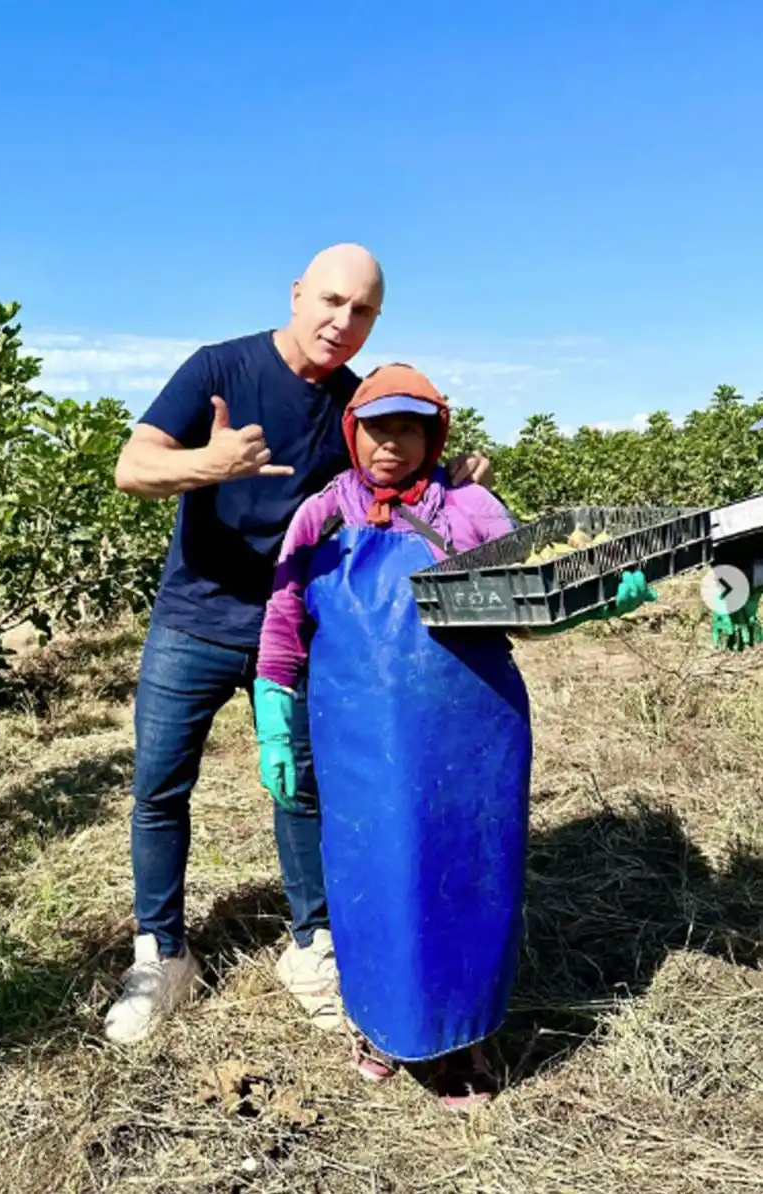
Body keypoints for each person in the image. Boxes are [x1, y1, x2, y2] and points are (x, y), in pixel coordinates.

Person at [105, 244, 494, 1045]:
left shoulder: (356, 406)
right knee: (159, 787)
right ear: (296, 293)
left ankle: (311, 943)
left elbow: (384, 491)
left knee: (302, 788)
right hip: (194, 620)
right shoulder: (219, 368)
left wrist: (448, 480)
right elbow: (132, 466)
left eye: (361, 311)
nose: (341, 321)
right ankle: (162, 951)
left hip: (300, 627)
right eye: (330, 301)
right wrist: (204, 464)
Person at [253, 362, 657, 1103]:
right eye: (378, 427)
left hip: (465, 731)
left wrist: (593, 599)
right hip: (356, 736)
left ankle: (464, 1044)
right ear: (354, 433)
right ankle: (373, 1023)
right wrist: (273, 703)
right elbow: (283, 616)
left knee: (466, 874)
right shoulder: (321, 515)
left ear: (433, 435)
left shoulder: (468, 509)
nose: (392, 444)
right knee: (369, 877)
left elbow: (524, 601)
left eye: (410, 427)